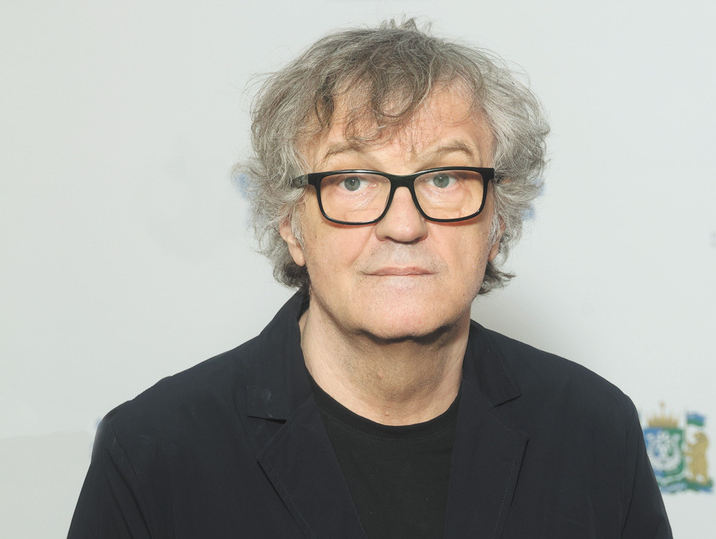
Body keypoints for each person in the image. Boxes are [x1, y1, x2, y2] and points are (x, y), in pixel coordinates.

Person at [68, 20, 671, 538]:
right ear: (290, 223)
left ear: (499, 219)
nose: (403, 225)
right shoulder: (153, 453)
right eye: (352, 181)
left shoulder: (594, 432)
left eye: (444, 178)